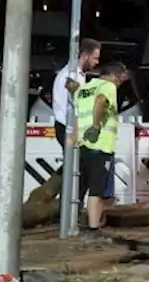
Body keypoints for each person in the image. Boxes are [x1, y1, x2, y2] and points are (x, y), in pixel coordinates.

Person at [72, 61, 127, 238]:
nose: (120, 83)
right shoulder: (108, 86)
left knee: (80, 188)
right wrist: (96, 126)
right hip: (100, 144)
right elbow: (101, 100)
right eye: (120, 79)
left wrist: (74, 137)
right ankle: (93, 229)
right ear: (114, 76)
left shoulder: (84, 89)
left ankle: (74, 225)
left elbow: (77, 114)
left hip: (83, 145)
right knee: (97, 190)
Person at [52, 38, 101, 148]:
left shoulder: (77, 75)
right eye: (95, 58)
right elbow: (72, 105)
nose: (97, 62)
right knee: (75, 162)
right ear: (85, 56)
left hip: (71, 127)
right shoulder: (71, 76)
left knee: (76, 163)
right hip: (69, 127)